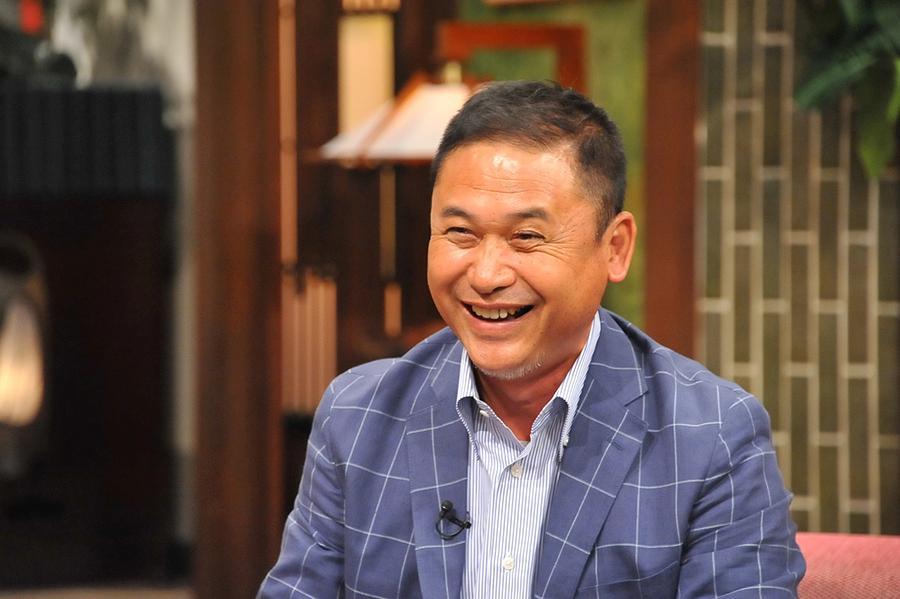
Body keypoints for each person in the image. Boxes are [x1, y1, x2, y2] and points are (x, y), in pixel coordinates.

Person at [259, 80, 805, 598]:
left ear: (615, 248)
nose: (486, 274)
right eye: (460, 233)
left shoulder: (711, 437)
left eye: (526, 236)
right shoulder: (358, 417)